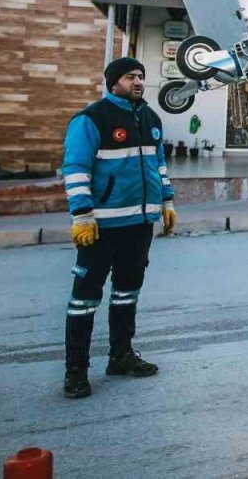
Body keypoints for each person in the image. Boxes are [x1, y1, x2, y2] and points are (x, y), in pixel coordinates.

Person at [60, 56, 178, 399]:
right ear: (114, 83)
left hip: (139, 225)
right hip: (101, 227)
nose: (138, 81)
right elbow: (76, 168)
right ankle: (76, 372)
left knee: (128, 293)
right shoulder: (91, 119)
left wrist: (167, 201)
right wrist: (82, 215)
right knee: (84, 300)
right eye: (130, 77)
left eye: (141, 76)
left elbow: (158, 164)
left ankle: (121, 356)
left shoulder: (150, 117)